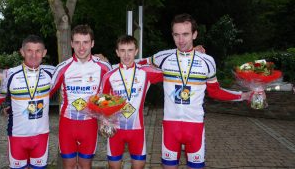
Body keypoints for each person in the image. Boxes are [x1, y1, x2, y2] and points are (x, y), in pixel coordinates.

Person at [142, 13, 251, 169]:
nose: (181, 40)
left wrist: (244, 95)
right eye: (176, 35)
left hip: (195, 126)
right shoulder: (162, 57)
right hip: (170, 126)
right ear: (172, 35)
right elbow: (133, 64)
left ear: (194, 34)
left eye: (185, 34)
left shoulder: (207, 61)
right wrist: (105, 64)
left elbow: (215, 91)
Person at [50, 24, 112, 169]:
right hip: (67, 125)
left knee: (86, 165)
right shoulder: (63, 67)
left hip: (89, 125)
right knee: (69, 166)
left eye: (85, 42)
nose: (81, 47)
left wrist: (104, 114)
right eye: (77, 42)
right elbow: (46, 92)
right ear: (71, 43)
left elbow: (109, 95)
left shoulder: (103, 67)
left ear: (92, 43)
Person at [0, 35, 56, 169]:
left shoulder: (52, 72)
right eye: (29, 50)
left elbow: (75, 71)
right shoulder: (9, 74)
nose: (33, 55)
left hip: (41, 135)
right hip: (17, 135)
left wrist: (100, 59)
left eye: (38, 51)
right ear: (22, 52)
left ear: (44, 53)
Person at [100, 35, 163, 169]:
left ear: (136, 51)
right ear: (117, 52)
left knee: (139, 166)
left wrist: (189, 53)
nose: (126, 55)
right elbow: (102, 103)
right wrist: (104, 120)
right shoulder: (109, 76)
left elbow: (170, 71)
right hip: (116, 131)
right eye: (122, 50)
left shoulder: (146, 72)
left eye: (130, 50)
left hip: (137, 131)